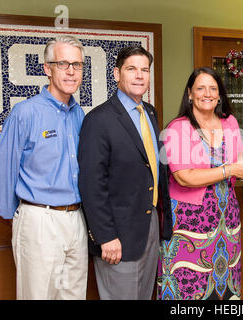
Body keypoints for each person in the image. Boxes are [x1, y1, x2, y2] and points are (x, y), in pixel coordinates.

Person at [0, 36, 88, 300]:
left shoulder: (80, 115)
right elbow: (3, 162)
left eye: (77, 65)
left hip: (76, 218)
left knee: (74, 295)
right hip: (39, 219)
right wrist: (14, 214)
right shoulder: (26, 112)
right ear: (47, 68)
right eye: (63, 63)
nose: (71, 71)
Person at [158, 67, 243, 300]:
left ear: (220, 94)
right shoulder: (178, 128)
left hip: (227, 221)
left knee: (224, 290)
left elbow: (234, 166)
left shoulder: (230, 122)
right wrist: (231, 169)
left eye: (213, 88)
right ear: (190, 94)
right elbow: (184, 176)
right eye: (200, 88)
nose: (207, 93)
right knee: (189, 290)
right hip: (189, 225)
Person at [78, 46, 172, 300]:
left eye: (144, 70)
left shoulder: (150, 112)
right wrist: (106, 236)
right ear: (117, 74)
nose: (139, 76)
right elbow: (91, 184)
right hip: (116, 233)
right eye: (132, 69)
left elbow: (153, 167)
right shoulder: (99, 120)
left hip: (149, 224)